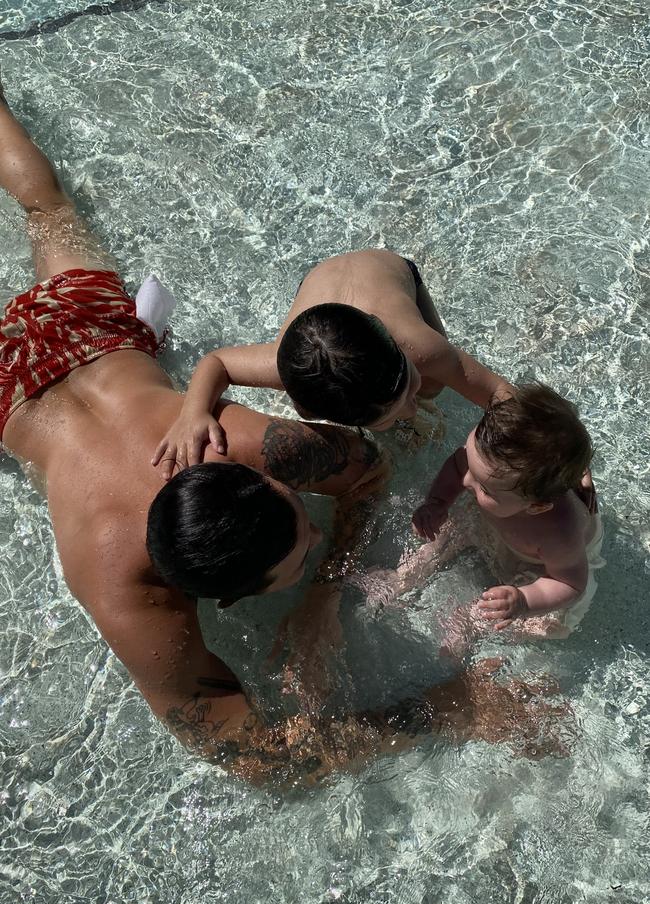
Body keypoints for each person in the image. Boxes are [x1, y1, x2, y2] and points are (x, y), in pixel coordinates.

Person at [0, 80, 569, 780]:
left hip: (90, 333)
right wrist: (452, 706)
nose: (318, 538)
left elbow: (365, 467)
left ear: (241, 473)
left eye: (301, 518)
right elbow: (260, 763)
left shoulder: (241, 444)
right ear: (225, 602)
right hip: (17, 398)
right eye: (303, 554)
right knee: (43, 210)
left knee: (47, 207)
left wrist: (321, 592)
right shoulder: (127, 597)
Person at [151, 249, 512, 477]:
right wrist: (193, 414)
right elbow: (216, 363)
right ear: (305, 411)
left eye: (407, 390)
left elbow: (498, 391)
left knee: (436, 381)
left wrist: (550, 459)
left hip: (390, 269)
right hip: (319, 283)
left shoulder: (417, 344)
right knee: (420, 383)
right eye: (399, 408)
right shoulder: (282, 366)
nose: (412, 406)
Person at [374, 384, 602, 642]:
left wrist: (525, 601)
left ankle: (471, 624)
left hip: (544, 565)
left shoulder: (559, 534)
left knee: (547, 623)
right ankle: (403, 577)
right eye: (471, 465)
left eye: (484, 487)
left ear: (535, 506)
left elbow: (571, 585)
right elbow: (458, 466)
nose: (467, 481)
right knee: (452, 527)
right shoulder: (493, 472)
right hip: (501, 520)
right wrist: (438, 502)